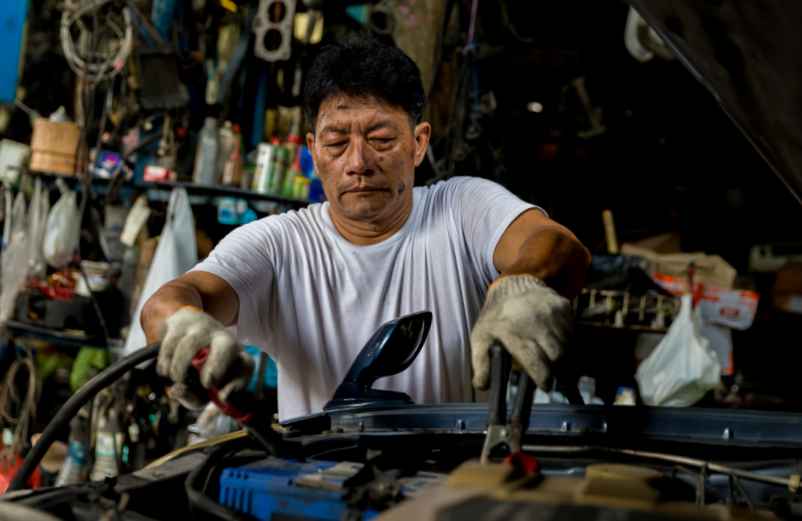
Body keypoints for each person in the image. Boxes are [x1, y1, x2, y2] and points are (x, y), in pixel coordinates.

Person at [141, 36, 591, 421]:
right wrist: (183, 324)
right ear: (314, 152)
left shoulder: (461, 208)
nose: (358, 163)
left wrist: (522, 284)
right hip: (315, 488)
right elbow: (172, 298)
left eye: (381, 140)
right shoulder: (279, 245)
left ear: (418, 144)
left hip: (450, 486)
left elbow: (552, 243)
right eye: (337, 143)